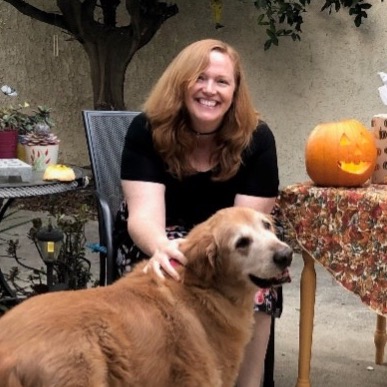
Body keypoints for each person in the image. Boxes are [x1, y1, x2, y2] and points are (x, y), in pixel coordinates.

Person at [115, 38, 282, 387]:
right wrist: (161, 246)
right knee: (166, 269)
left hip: (229, 240)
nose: (210, 90)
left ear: (235, 92)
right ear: (182, 83)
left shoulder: (257, 138)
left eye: (222, 81)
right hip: (159, 235)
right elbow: (144, 215)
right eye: (200, 78)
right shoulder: (147, 130)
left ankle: (247, 382)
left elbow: (247, 230)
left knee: (263, 280)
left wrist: (229, 258)